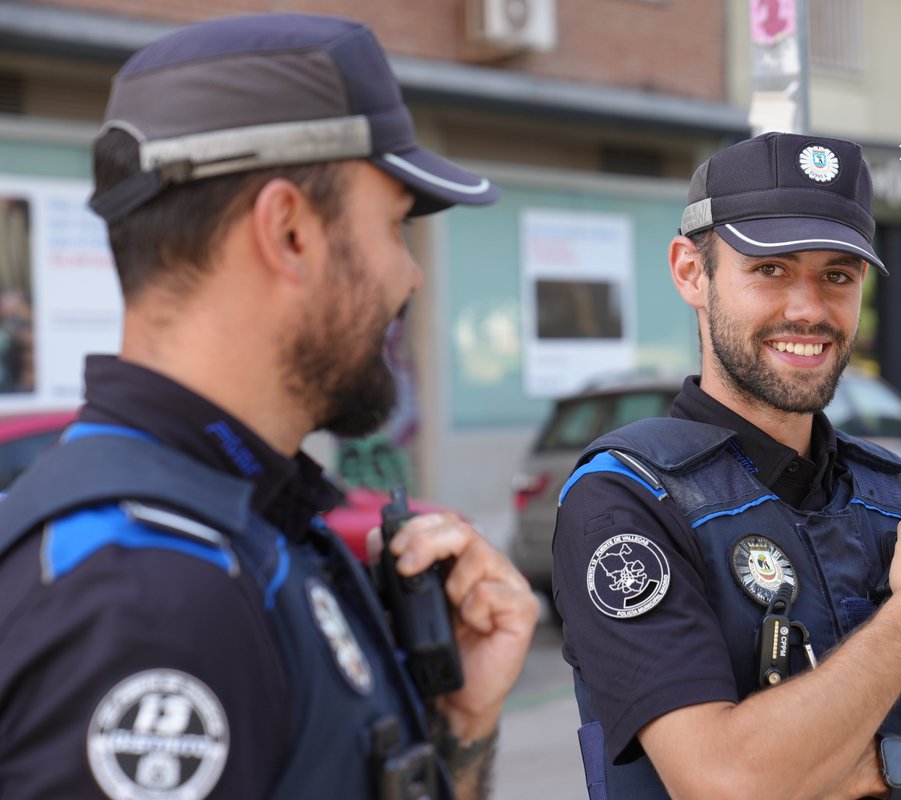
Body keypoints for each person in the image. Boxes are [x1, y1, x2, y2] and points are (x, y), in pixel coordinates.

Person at [0, 13, 538, 800]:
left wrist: (458, 727)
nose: (409, 278)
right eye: (394, 227)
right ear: (288, 230)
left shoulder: (248, 523)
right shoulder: (151, 597)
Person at [552, 133, 901, 799]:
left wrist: (877, 767)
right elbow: (725, 783)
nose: (808, 309)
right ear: (691, 271)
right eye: (770, 269)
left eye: (837, 275)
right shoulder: (628, 500)